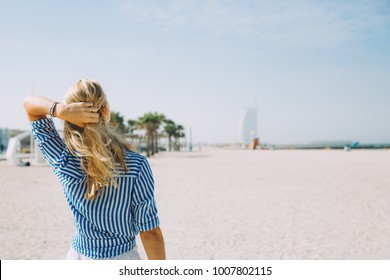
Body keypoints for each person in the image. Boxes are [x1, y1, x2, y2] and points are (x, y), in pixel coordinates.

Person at [23, 79, 166, 260]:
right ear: (105, 109)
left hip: (78, 258)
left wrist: (59, 110)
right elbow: (150, 233)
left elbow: (29, 105)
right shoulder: (136, 165)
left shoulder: (64, 159)